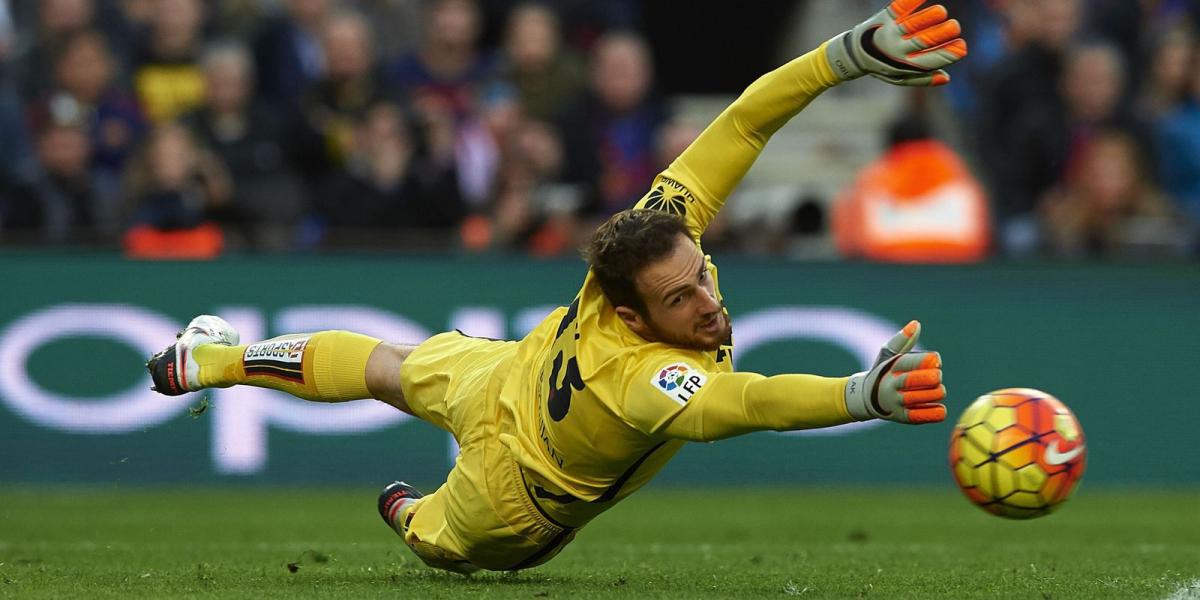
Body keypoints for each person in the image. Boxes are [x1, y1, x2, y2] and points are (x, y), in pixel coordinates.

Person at [146, 0, 963, 574]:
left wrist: (846, 55)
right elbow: (740, 404)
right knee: (432, 525)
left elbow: (744, 120)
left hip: (518, 379)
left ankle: (228, 367)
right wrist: (857, 395)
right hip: (515, 492)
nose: (706, 303)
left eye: (699, 278)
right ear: (631, 314)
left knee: (394, 369)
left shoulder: (656, 234)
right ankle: (237, 380)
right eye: (679, 302)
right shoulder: (639, 377)